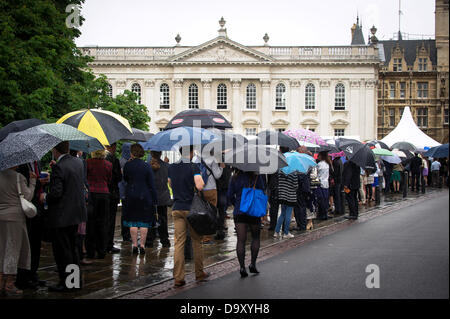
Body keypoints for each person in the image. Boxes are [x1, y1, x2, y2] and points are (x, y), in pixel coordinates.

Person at [40, 141, 87, 292]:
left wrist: (45, 197)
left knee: (62, 251)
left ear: (55, 150)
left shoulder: (60, 167)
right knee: (72, 250)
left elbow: (56, 193)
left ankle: (66, 282)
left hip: (62, 215)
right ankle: (75, 281)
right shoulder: (78, 162)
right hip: (75, 213)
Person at [168, 145, 208, 287]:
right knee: (197, 241)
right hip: (191, 208)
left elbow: (171, 184)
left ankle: (178, 277)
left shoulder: (171, 167)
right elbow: (200, 186)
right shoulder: (193, 167)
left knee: (179, 242)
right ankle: (199, 273)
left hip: (176, 208)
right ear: (190, 153)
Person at [0, 165, 36, 295]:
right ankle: (9, 283)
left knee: (2, 248)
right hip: (15, 217)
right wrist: (33, 182)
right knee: (13, 249)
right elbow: (28, 196)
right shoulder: (18, 177)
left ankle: (1, 281)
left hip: (1, 216)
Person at [15, 161, 49, 290]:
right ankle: (24, 276)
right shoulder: (22, 165)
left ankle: (33, 274)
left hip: (37, 207)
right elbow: (22, 187)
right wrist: (38, 182)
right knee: (27, 243)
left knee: (35, 242)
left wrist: (45, 181)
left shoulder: (37, 163)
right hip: (27, 206)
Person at [227, 169, 265, 277]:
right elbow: (262, 190)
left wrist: (237, 204)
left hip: (239, 211)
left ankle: (242, 267)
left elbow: (229, 196)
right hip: (254, 210)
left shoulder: (234, 177)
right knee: (256, 237)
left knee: (241, 240)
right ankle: (252, 264)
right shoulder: (257, 176)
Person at [122, 144, 158, 255]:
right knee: (144, 222)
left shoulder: (128, 165)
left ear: (132, 152)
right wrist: (154, 198)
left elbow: (125, 179)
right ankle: (142, 245)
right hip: (144, 195)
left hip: (131, 194)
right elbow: (151, 184)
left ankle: (134, 244)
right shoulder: (147, 166)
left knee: (132, 221)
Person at [192, 151, 223, 245]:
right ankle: (207, 238)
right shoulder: (212, 158)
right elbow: (217, 175)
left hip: (199, 190)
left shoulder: (195, 159)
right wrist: (221, 166)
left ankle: (199, 236)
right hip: (211, 189)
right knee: (211, 213)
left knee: (199, 212)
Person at [86, 149, 112, 259]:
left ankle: (90, 251)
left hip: (91, 193)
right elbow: (109, 179)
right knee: (103, 222)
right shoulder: (108, 164)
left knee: (90, 223)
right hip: (104, 194)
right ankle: (102, 250)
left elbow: (85, 177)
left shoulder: (87, 163)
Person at [147, 151, 171, 248]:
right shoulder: (166, 166)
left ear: (151, 154)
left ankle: (149, 240)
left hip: (151, 196)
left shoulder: (147, 166)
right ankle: (164, 240)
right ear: (160, 153)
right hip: (163, 197)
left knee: (150, 218)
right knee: (163, 219)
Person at [105, 143, 122, 254]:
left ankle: (100, 244)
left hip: (100, 193)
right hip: (112, 193)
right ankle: (108, 245)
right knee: (110, 220)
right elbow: (118, 178)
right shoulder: (114, 160)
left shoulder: (98, 158)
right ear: (113, 147)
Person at [274, 168, 298, 239]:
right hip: (290, 196)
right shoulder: (293, 172)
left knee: (282, 214)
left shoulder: (280, 171)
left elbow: (278, 181)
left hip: (282, 195)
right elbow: (295, 185)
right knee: (288, 214)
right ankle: (286, 232)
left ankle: (276, 231)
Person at [119, 143, 132, 242]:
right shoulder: (125, 163)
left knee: (125, 213)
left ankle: (126, 234)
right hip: (126, 191)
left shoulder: (121, 161)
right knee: (126, 214)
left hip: (123, 191)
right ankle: (126, 235)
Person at [315, 152, 330, 220]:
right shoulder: (327, 164)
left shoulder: (319, 164)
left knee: (320, 200)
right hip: (326, 183)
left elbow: (316, 173)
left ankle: (321, 214)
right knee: (325, 199)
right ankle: (325, 213)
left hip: (320, 183)